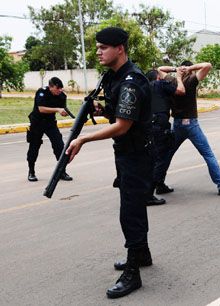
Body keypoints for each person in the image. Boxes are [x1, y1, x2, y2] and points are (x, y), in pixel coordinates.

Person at [65, 27, 153, 299]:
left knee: (130, 211)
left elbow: (123, 126)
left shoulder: (131, 81)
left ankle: (133, 272)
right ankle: (143, 254)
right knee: (134, 204)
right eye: (98, 47)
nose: (99, 52)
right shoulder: (114, 78)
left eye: (104, 47)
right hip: (127, 153)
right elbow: (117, 115)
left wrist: (83, 140)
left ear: (120, 49)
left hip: (136, 154)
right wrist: (102, 110)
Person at [159, 61, 220, 196]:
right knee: (208, 154)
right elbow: (208, 65)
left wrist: (176, 69)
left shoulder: (171, 81)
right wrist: (188, 68)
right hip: (191, 124)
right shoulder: (191, 80)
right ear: (190, 71)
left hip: (177, 124)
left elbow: (160, 69)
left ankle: (159, 183)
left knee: (167, 154)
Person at [145, 68, 185, 205]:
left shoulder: (144, 87)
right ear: (157, 78)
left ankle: (160, 185)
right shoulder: (160, 84)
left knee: (154, 158)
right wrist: (178, 76)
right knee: (161, 159)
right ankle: (148, 194)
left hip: (149, 127)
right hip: (160, 127)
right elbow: (181, 91)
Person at [26, 77, 73, 182]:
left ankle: (62, 171)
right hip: (37, 123)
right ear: (50, 87)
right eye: (58, 88)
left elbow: (62, 109)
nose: (60, 90)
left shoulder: (62, 96)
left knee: (59, 146)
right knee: (34, 147)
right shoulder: (42, 92)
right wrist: (57, 110)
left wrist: (64, 112)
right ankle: (31, 172)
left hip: (50, 123)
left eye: (61, 88)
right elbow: (41, 108)